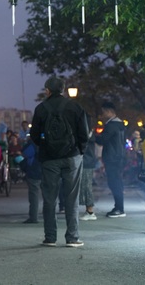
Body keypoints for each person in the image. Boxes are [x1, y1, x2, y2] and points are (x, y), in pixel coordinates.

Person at [30, 76, 89, 248]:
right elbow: (84, 133)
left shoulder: (41, 109)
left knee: (49, 198)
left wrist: (45, 146)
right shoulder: (75, 107)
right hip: (72, 157)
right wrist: (80, 151)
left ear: (47, 90)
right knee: (72, 198)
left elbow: (34, 135)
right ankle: (72, 237)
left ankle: (50, 237)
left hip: (49, 159)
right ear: (63, 89)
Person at [96, 101, 126, 218]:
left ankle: (119, 209)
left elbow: (102, 140)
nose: (102, 115)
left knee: (114, 182)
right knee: (116, 182)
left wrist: (91, 136)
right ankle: (118, 207)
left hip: (112, 158)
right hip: (118, 157)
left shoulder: (111, 125)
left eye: (103, 112)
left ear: (109, 112)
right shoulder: (120, 124)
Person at [20, 138, 41, 223]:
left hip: (34, 171)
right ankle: (50, 217)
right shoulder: (51, 138)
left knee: (34, 195)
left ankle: (33, 217)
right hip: (49, 170)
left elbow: (26, 153)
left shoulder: (34, 142)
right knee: (50, 197)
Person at [79, 137, 97, 221]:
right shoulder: (90, 135)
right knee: (86, 186)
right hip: (88, 161)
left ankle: (90, 211)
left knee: (86, 186)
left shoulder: (87, 136)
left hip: (86, 162)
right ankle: (89, 210)